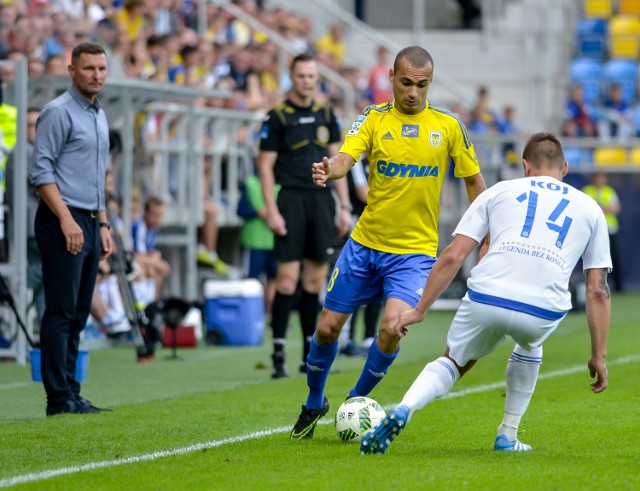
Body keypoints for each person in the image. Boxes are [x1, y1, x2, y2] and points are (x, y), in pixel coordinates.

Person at [360, 132, 611, 454]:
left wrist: (419, 310)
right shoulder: (590, 208)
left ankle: (405, 407)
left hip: (487, 295)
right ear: (564, 168)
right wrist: (598, 356)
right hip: (541, 310)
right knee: (531, 343)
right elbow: (598, 290)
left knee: (453, 361)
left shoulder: (499, 191)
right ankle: (507, 434)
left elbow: (452, 255)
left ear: (525, 166)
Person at [289, 45, 487, 440]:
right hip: (365, 245)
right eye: (407, 83)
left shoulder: (448, 125)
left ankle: (354, 401)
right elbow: (347, 157)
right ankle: (314, 401)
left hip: (412, 255)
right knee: (327, 328)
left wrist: (489, 234)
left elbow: (473, 182)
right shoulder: (374, 118)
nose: (413, 92)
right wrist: (331, 170)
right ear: (392, 79)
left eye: (422, 85)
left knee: (392, 330)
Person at [29, 42, 113, 416]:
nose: (96, 75)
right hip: (63, 217)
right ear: (72, 70)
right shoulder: (57, 112)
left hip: (92, 219)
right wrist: (66, 219)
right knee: (60, 309)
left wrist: (105, 222)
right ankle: (58, 397)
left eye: (101, 69)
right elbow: (41, 173)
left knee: (80, 311)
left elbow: (98, 176)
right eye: (89, 68)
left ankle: (72, 391)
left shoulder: (99, 114)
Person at [257, 53, 352, 379]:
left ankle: (308, 355)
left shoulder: (327, 114)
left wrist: (343, 205)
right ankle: (278, 354)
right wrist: (271, 209)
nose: (307, 81)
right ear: (292, 77)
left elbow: (339, 161)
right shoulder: (277, 117)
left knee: (314, 281)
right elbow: (265, 167)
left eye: (312, 76)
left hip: (322, 203)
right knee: (286, 281)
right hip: (291, 201)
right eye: (301, 76)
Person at [6, 107, 44, 325]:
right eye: (32, 125)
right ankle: (10, 293)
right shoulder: (27, 151)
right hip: (32, 225)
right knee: (51, 265)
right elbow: (42, 187)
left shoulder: (22, 151)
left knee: (47, 279)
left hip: (28, 225)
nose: (37, 130)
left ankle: (45, 328)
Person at [582, 172, 622, 292]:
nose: (600, 180)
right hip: (593, 231)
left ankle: (618, 287)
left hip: (610, 230)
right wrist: (606, 207)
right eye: (597, 177)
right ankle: (591, 286)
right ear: (593, 178)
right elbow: (584, 208)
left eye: (602, 177)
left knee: (614, 258)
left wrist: (599, 207)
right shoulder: (587, 190)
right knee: (591, 259)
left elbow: (616, 208)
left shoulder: (609, 191)